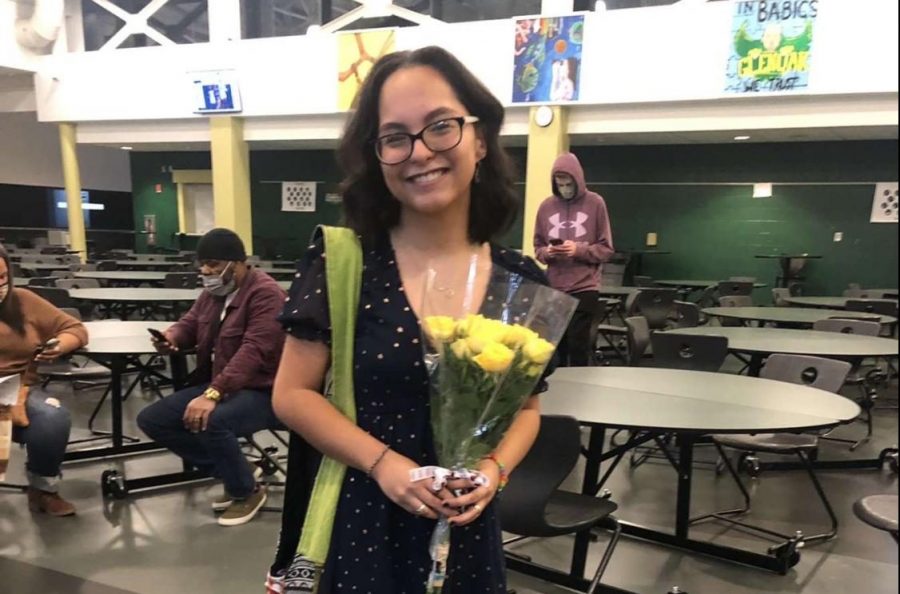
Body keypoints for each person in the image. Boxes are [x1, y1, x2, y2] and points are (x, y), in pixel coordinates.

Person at [271, 46, 552, 593]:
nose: (419, 152)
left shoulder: (521, 280)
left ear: (480, 136)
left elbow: (529, 409)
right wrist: (384, 466)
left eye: (440, 126)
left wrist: (493, 473)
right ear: (376, 155)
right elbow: (291, 394)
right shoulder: (344, 262)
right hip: (363, 521)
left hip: (467, 526)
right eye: (395, 137)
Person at [136, 228, 285, 527]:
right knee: (153, 419)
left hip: (264, 391)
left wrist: (212, 394)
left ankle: (247, 490)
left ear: (239, 263)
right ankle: (238, 469)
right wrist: (171, 337)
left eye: (214, 264)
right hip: (224, 383)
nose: (206, 271)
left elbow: (253, 352)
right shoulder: (214, 293)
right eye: (203, 263)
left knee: (212, 420)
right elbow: (189, 323)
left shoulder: (266, 295)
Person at [0, 243, 88, 517]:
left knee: (53, 418)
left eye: (2, 277)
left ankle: (43, 490)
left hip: (19, 388)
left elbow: (75, 329)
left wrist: (58, 346)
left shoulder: (23, 300)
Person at [533, 152, 614, 366]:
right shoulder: (545, 207)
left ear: (577, 180)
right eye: (560, 184)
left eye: (568, 184)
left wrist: (577, 250)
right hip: (555, 288)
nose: (565, 189)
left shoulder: (596, 203)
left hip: (584, 288)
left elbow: (606, 250)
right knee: (555, 351)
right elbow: (538, 248)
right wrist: (548, 253)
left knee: (579, 348)